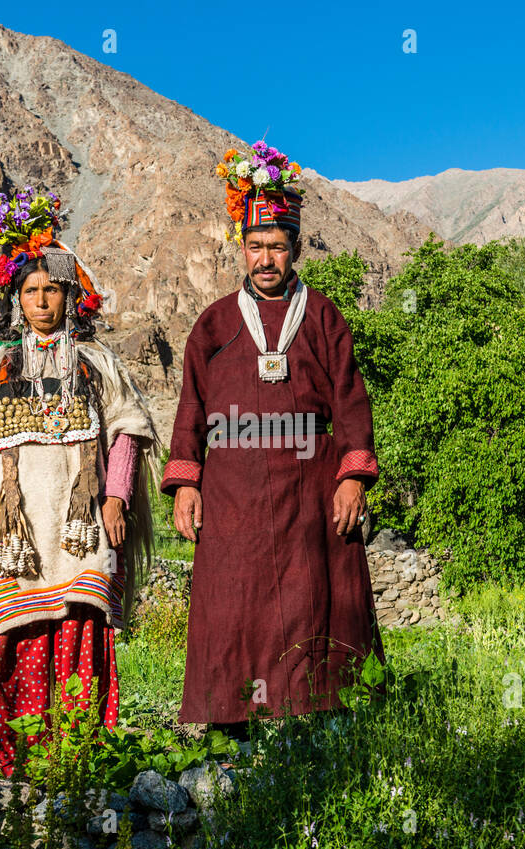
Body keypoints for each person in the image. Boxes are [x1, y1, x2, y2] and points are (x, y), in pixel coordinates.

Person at [0, 183, 161, 777]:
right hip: (16, 532)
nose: (41, 301)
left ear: (68, 296)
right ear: (17, 299)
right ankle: (25, 760)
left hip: (81, 530)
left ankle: (82, 758)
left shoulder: (96, 365)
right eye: (30, 291)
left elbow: (128, 429)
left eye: (51, 289)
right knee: (24, 638)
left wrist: (116, 496)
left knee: (81, 631)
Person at [160, 142, 385, 738]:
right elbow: (191, 410)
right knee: (234, 599)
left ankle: (322, 715)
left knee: (316, 592)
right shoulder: (212, 324)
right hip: (232, 486)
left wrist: (352, 477)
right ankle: (233, 721)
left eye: (277, 247)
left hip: (311, 482)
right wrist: (187, 485)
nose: (266, 258)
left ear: (295, 249)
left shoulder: (323, 318)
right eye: (256, 246)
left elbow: (351, 402)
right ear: (242, 248)